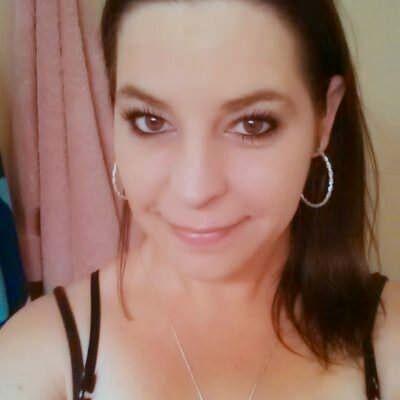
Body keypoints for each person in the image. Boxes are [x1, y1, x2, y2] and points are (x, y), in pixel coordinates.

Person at [1, 0, 399, 399]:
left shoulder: (389, 342)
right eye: (151, 121)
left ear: (324, 119)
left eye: (253, 124)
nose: (195, 191)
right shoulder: (34, 360)